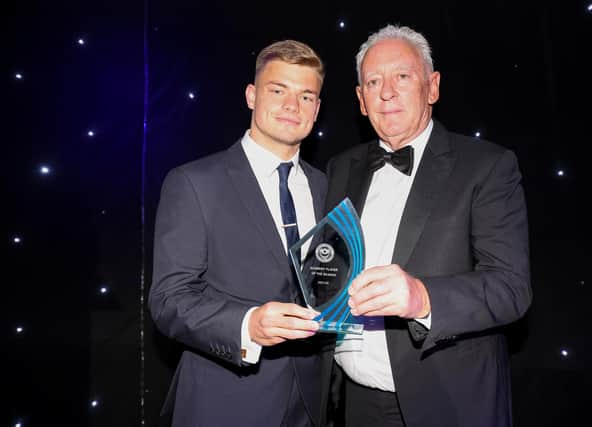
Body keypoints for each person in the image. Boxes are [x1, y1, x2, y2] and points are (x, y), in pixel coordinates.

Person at [324, 25, 532, 427]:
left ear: (432, 87)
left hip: (448, 403)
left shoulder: (487, 166)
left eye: (402, 76)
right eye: (372, 81)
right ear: (360, 101)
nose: (386, 92)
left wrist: (421, 297)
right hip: (353, 404)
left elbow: (511, 288)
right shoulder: (339, 168)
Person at [149, 39, 332, 427]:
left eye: (306, 96)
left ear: (316, 109)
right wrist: (247, 324)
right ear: (251, 96)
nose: (291, 106)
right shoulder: (195, 182)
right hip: (225, 400)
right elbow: (168, 299)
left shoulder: (326, 187)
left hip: (312, 403)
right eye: (277, 90)